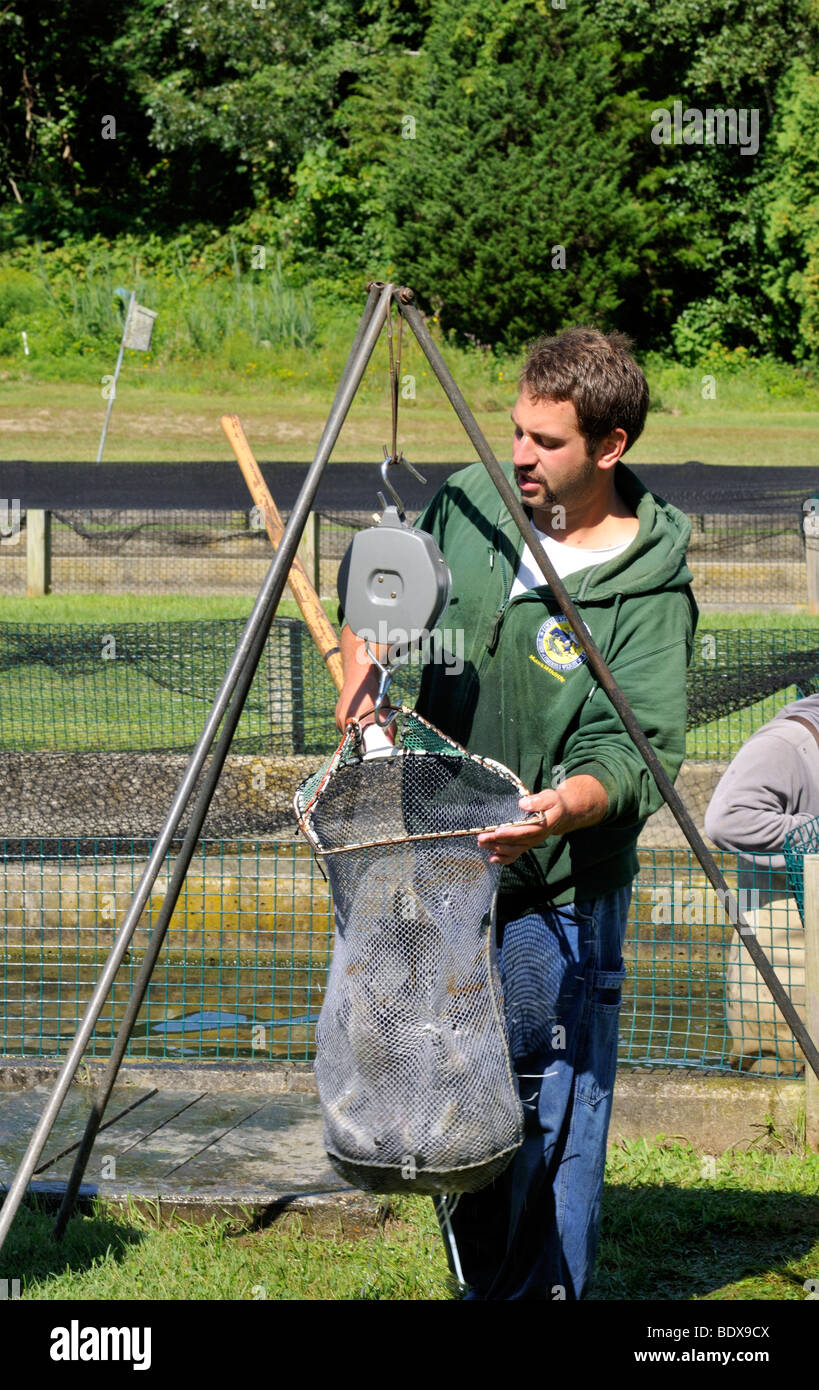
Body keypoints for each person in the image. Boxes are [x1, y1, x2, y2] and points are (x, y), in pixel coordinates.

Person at [335, 326, 697, 1300]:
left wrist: (562, 808)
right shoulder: (473, 502)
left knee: (546, 1099)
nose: (519, 457)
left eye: (545, 441)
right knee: (464, 1089)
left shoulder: (649, 588)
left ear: (610, 447)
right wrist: (368, 645)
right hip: (450, 865)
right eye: (514, 433)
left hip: (557, 886)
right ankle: (486, 1284)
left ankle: (544, 1293)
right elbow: (397, 573)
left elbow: (639, 751)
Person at [704, 695, 819, 1074]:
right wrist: (813, 833)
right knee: (776, 1079)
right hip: (784, 941)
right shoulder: (786, 745)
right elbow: (726, 820)